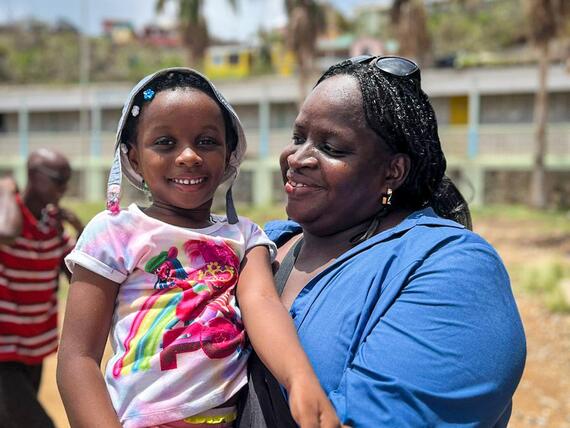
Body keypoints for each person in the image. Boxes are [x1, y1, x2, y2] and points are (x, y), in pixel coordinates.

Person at [239, 56, 526, 427]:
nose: (297, 158)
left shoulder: (450, 269)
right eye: (299, 138)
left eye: (332, 148)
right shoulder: (261, 242)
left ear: (393, 171)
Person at [57, 68, 339, 428]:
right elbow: (77, 359)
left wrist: (299, 379)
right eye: (164, 143)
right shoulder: (113, 232)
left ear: (229, 155)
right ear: (133, 159)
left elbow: (262, 304)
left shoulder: (244, 237)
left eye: (206, 142)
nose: (189, 156)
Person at [0, 149, 83, 428]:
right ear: (34, 177)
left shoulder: (53, 227)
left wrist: (77, 226)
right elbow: (7, 233)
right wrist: (4, 190)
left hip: (34, 346)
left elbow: (78, 274)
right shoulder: (7, 215)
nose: (64, 188)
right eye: (59, 180)